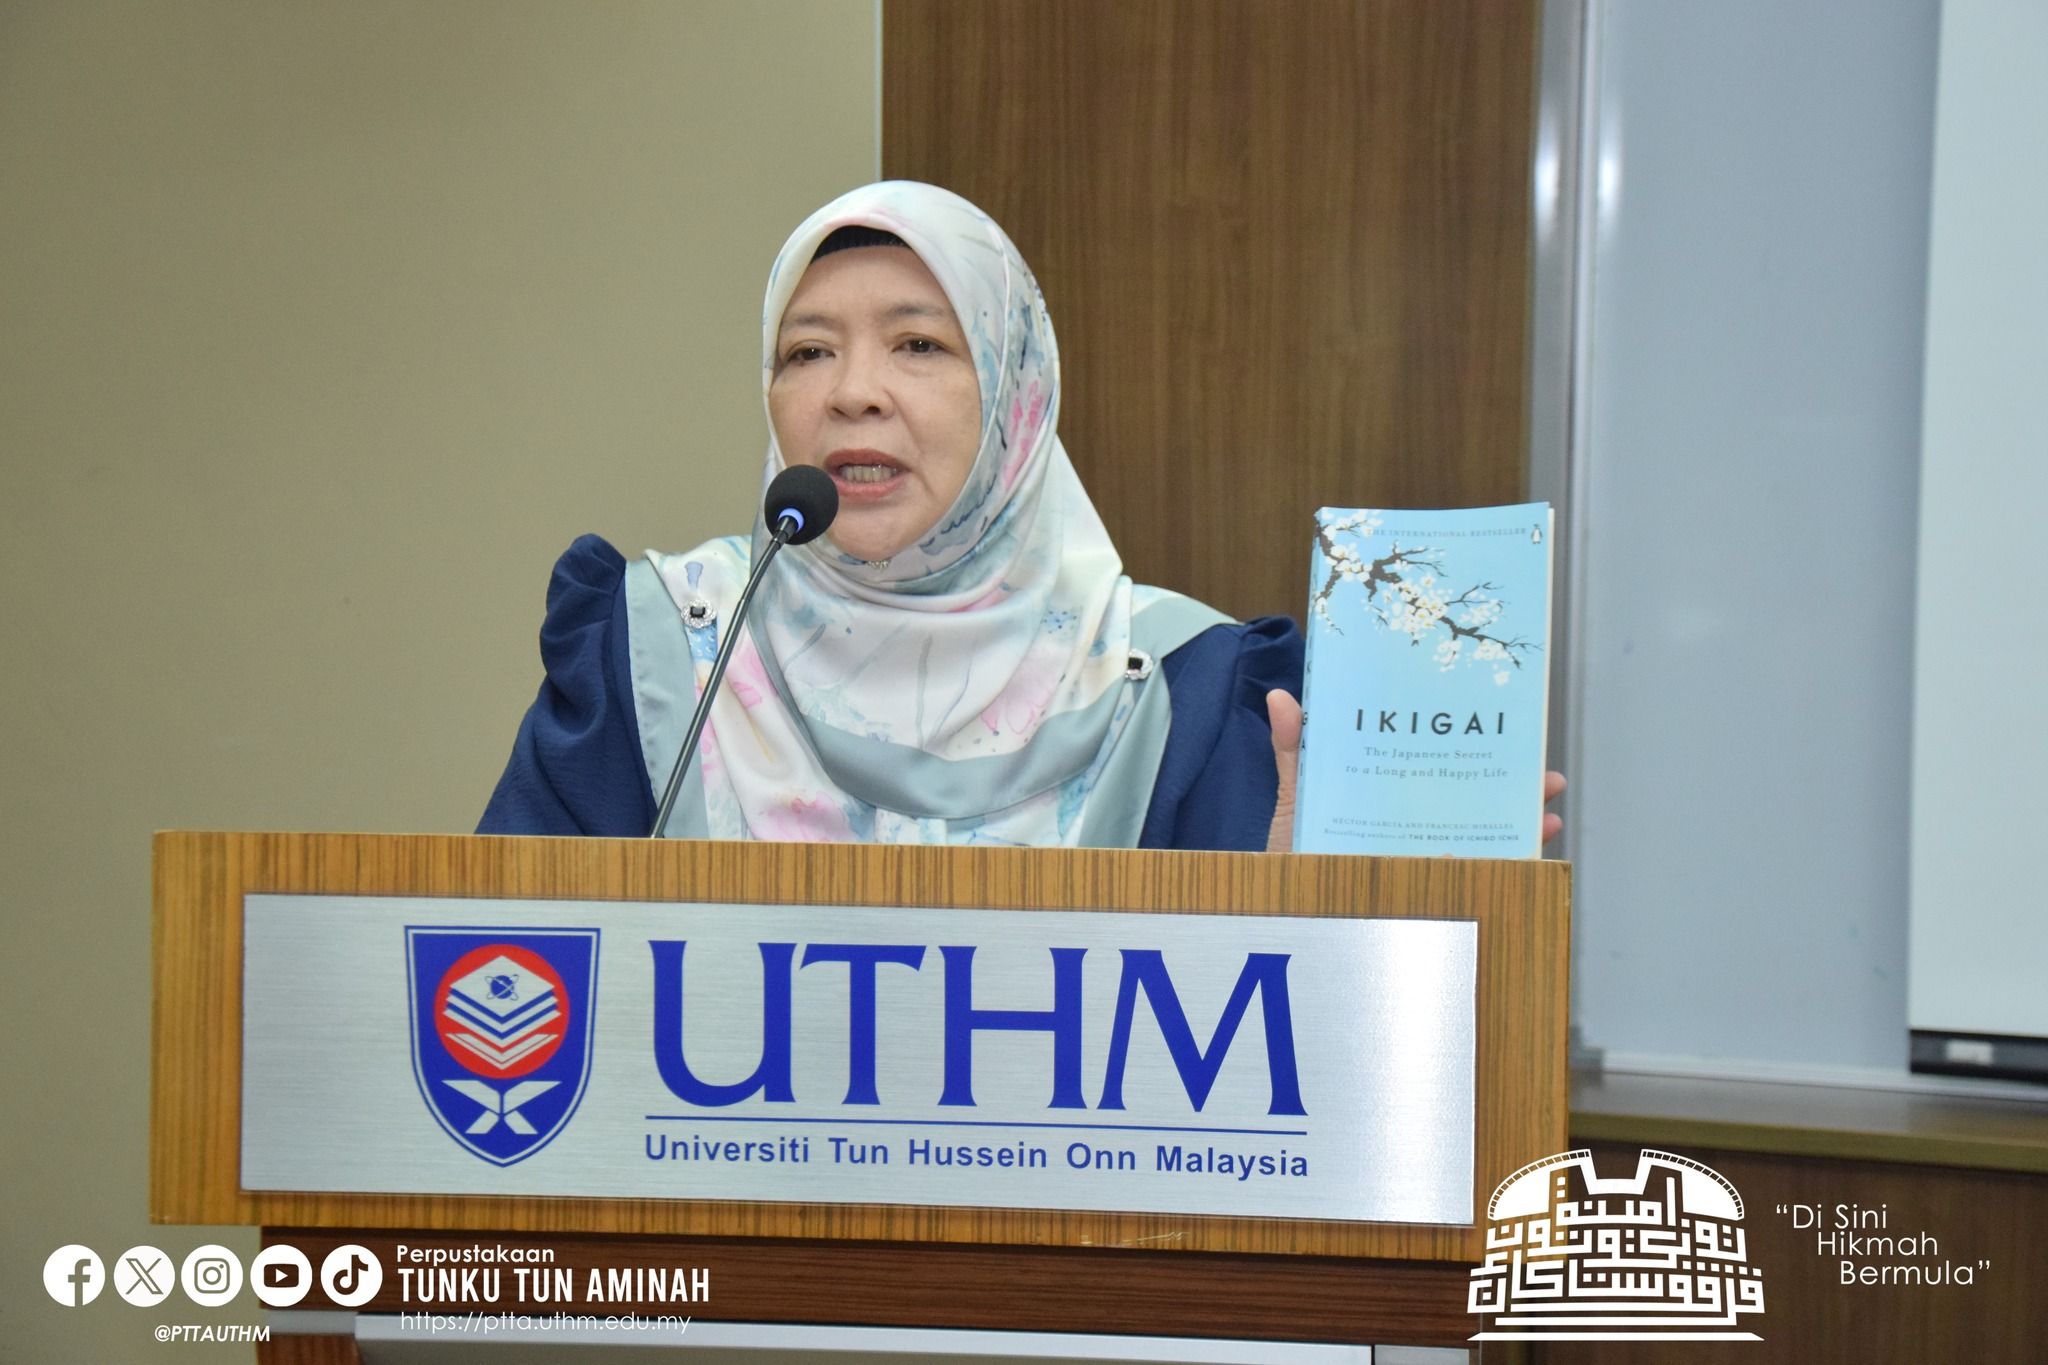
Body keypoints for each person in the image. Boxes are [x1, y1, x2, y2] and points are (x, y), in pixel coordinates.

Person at [479, 181, 1561, 850]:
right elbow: (511, 974)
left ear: (1017, 398)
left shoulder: (1178, 689)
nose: (851, 392)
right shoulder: (661, 652)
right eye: (807, 351)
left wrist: (1308, 925)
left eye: (919, 344)